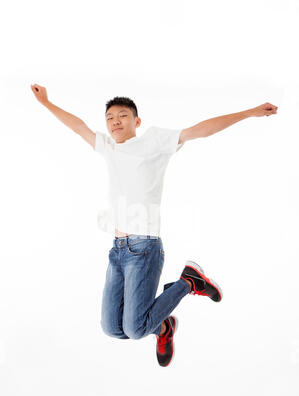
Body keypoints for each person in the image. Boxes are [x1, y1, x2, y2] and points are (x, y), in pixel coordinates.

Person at [30, 84, 278, 367]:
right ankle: (164, 327)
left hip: (144, 247)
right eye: (110, 118)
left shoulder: (154, 142)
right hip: (118, 250)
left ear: (136, 121)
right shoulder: (108, 147)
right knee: (112, 328)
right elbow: (78, 126)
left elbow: (201, 130)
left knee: (135, 329)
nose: (115, 122)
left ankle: (189, 281)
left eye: (122, 116)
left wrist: (250, 112)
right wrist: (46, 103)